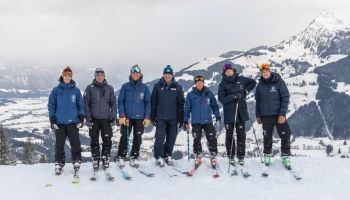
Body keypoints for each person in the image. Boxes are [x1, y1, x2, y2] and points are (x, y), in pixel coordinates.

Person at [48, 66, 85, 176]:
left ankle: (77, 162)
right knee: (59, 145)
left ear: (71, 76)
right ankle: (59, 164)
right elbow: (51, 105)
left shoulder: (76, 91)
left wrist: (81, 117)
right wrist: (52, 118)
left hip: (73, 123)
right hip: (59, 123)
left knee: (76, 144)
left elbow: (81, 105)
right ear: (62, 76)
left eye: (69, 75)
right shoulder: (56, 90)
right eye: (65, 75)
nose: (67, 77)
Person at [218, 63, 256, 167]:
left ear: (233, 70)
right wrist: (234, 96)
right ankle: (230, 157)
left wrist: (245, 91)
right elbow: (221, 99)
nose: (229, 72)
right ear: (224, 73)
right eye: (227, 71)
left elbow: (253, 82)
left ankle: (241, 157)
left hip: (241, 112)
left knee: (241, 136)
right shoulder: (222, 84)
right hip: (229, 113)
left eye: (230, 70)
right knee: (229, 136)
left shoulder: (241, 79)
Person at [255, 63, 292, 169]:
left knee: (286, 134)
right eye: (263, 72)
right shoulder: (260, 85)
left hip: (278, 115)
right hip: (265, 116)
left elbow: (285, 97)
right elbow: (258, 101)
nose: (265, 73)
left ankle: (285, 156)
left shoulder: (279, 82)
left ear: (270, 71)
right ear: (261, 73)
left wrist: (282, 114)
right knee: (267, 137)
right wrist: (258, 115)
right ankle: (267, 155)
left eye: (266, 71)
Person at [116, 64, 151, 167]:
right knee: (125, 137)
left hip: (140, 118)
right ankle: (121, 156)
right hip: (127, 117)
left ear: (140, 74)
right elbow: (120, 101)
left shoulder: (144, 88)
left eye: (137, 73)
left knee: (138, 137)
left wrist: (147, 117)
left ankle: (134, 156)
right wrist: (122, 115)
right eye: (133, 73)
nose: (135, 75)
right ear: (131, 74)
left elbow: (148, 103)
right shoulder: (125, 87)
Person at [84, 68, 117, 171]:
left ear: (104, 76)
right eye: (98, 75)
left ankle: (105, 158)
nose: (100, 77)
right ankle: (95, 158)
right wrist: (88, 119)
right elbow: (86, 104)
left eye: (101, 75)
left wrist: (113, 117)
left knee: (107, 140)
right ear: (95, 76)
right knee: (94, 140)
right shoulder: (89, 88)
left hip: (106, 119)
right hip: (94, 119)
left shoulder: (109, 88)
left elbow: (113, 104)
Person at [184, 75, 221, 167]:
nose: (199, 84)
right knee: (196, 139)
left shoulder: (209, 93)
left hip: (208, 121)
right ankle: (198, 155)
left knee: (212, 138)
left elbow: (215, 106)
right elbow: (187, 109)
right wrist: (185, 121)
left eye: (201, 82)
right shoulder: (190, 95)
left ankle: (213, 156)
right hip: (196, 121)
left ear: (203, 83)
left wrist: (218, 116)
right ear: (195, 84)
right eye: (197, 82)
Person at [151, 65, 184, 167]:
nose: (167, 76)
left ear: (172, 75)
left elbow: (181, 103)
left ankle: (167, 154)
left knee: (171, 138)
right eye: (166, 74)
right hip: (160, 117)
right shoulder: (157, 86)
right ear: (163, 75)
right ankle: (158, 157)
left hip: (173, 118)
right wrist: (152, 115)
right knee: (160, 138)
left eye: (169, 74)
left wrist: (181, 117)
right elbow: (153, 102)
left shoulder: (178, 87)